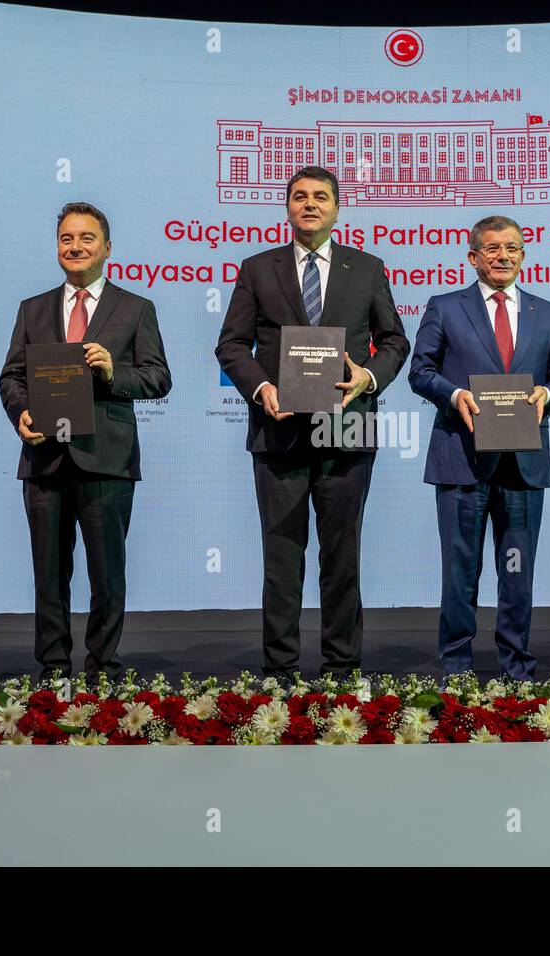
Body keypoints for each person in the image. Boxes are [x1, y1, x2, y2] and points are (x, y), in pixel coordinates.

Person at [215, 166, 410, 682]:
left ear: (337, 208)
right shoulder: (258, 269)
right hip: (278, 430)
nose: (309, 204)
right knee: (282, 558)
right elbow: (231, 344)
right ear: (287, 207)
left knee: (342, 555)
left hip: (347, 429)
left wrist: (368, 376)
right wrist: (262, 387)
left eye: (320, 197)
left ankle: (343, 669)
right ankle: (279, 671)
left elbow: (395, 341)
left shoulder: (367, 269)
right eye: (299, 196)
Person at [0, 202, 171, 681]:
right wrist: (22, 413)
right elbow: (11, 376)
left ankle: (103, 667)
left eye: (86, 238)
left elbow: (158, 378)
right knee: (49, 575)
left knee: (106, 574)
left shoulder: (136, 308)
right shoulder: (32, 309)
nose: (75, 247)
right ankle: (53, 668)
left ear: (107, 247)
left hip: (106, 459)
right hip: (44, 458)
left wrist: (115, 373)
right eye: (66, 239)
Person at [408, 215, 550, 680]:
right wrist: (454, 394)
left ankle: (516, 668)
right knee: (459, 574)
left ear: (523, 254)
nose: (504, 256)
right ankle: (457, 667)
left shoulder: (549, 312)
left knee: (517, 575)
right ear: (473, 257)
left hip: (524, 463)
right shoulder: (445, 307)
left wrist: (548, 395)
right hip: (461, 459)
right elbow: (420, 371)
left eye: (513, 248)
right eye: (493, 248)